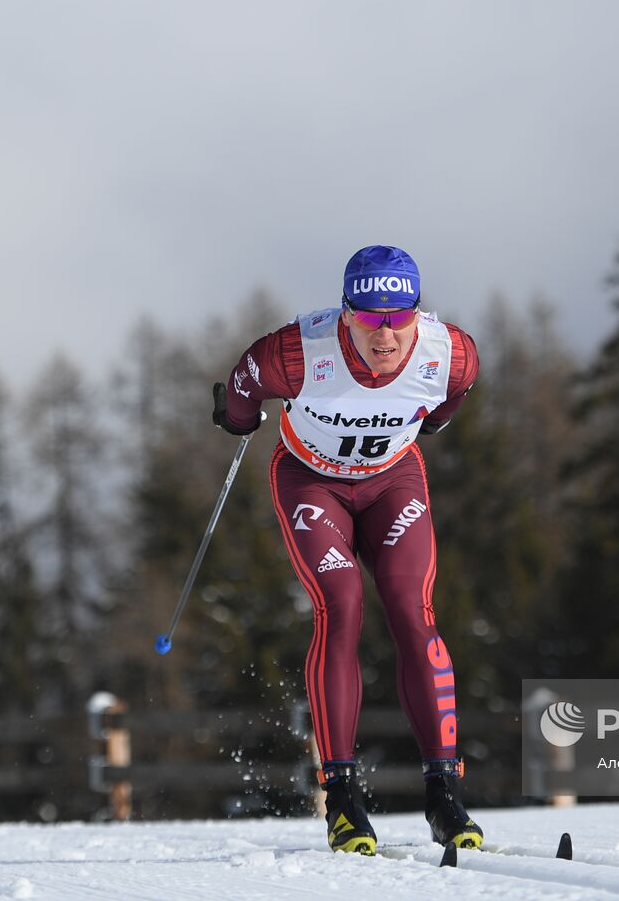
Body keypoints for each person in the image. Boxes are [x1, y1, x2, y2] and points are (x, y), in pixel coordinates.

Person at [211, 245, 483, 856]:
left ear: (418, 311)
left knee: (414, 614)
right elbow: (241, 389)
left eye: (399, 316)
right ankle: (343, 799)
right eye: (368, 317)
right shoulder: (293, 354)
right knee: (343, 604)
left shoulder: (451, 355)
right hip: (312, 483)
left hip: (394, 482)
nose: (385, 333)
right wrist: (235, 418)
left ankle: (444, 794)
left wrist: (419, 426)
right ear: (345, 313)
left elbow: (446, 405)